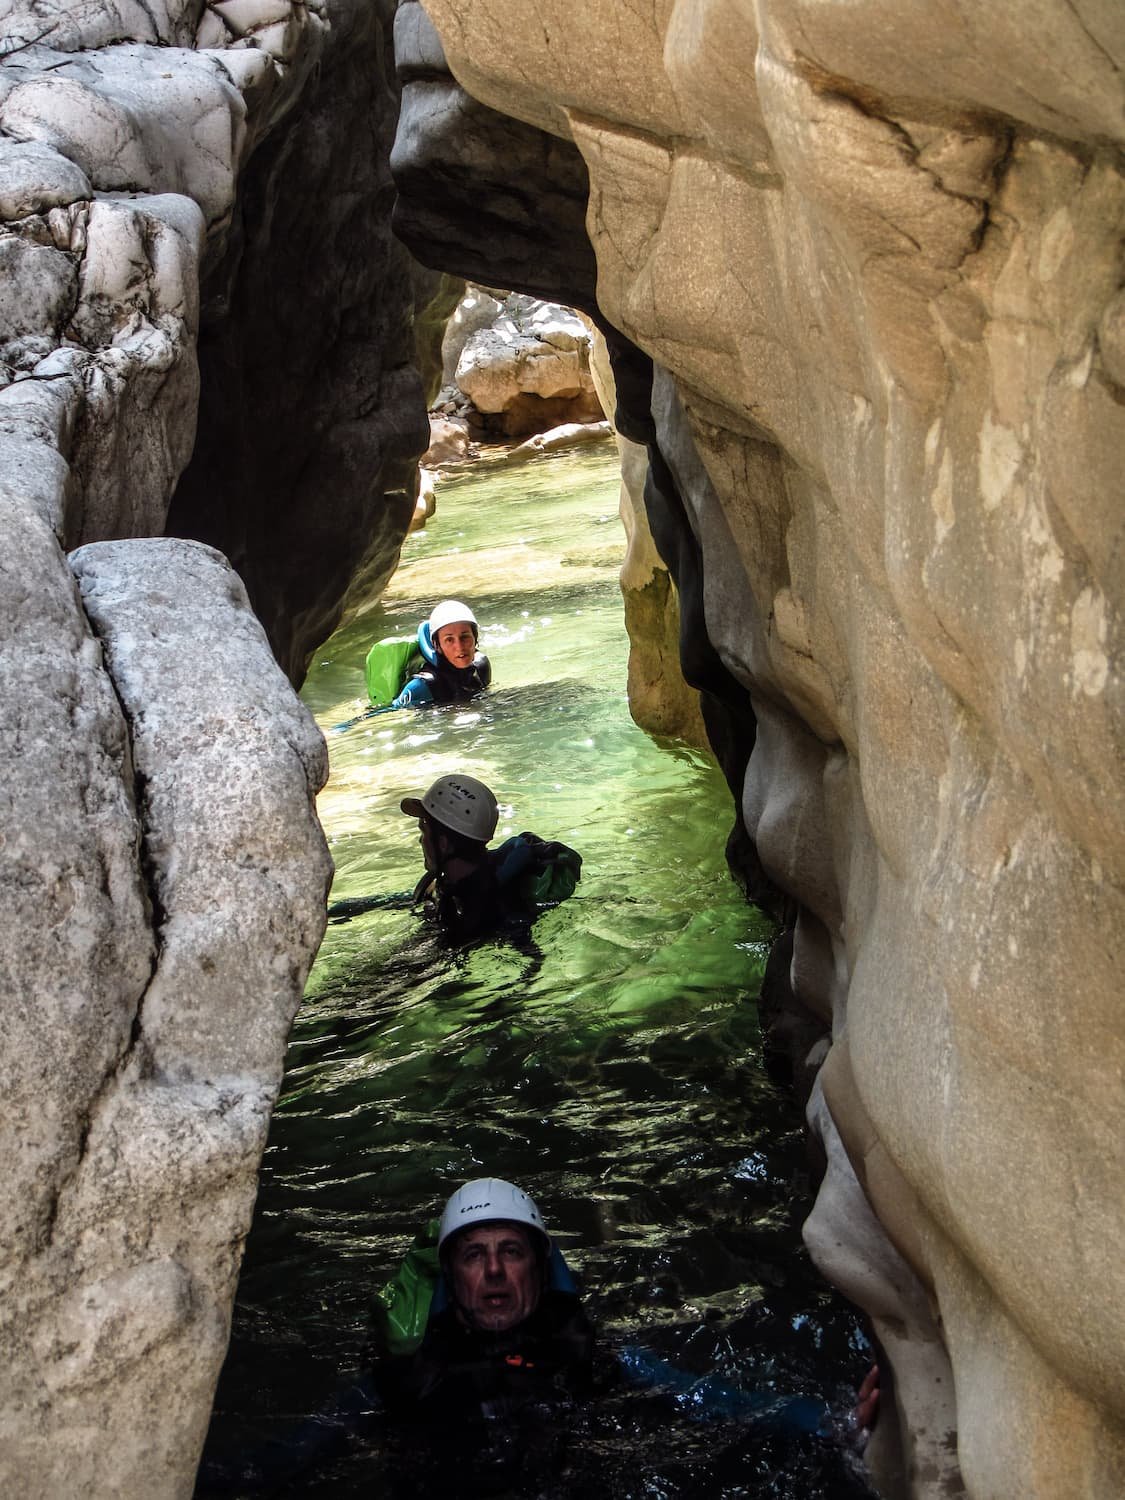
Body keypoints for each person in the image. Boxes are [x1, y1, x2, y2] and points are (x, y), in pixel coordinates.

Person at [400, 773, 582, 942]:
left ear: (443, 844)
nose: (420, 840)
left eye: (424, 832)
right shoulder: (453, 884)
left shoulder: (481, 913)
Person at [372, 599, 492, 711]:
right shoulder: (421, 686)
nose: (459, 647)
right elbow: (387, 715)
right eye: (449, 640)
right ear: (437, 645)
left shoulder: (481, 666)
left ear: (475, 638)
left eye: (464, 637)